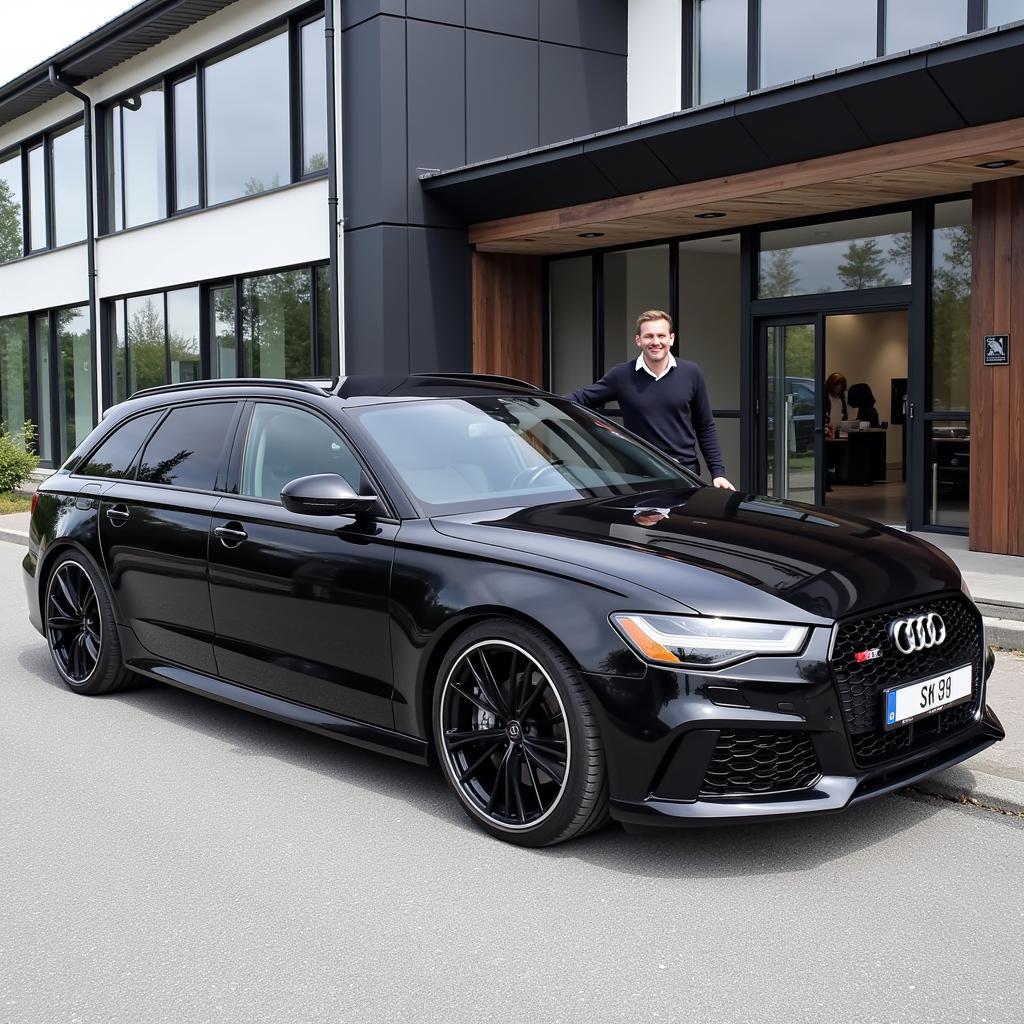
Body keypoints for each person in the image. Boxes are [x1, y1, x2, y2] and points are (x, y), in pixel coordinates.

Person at [565, 310, 735, 490]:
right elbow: (581, 398)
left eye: (661, 335)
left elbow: (705, 425)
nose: (656, 342)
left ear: (671, 338)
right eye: (649, 336)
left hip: (684, 475)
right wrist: (535, 404)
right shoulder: (622, 375)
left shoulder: (691, 373)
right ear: (638, 340)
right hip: (638, 476)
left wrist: (717, 473)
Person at [823, 372, 848, 438]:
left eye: (841, 386)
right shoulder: (825, 397)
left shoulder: (840, 398)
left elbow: (843, 414)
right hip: (828, 432)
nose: (839, 389)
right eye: (837, 386)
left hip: (839, 431)